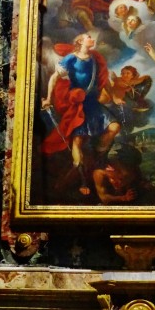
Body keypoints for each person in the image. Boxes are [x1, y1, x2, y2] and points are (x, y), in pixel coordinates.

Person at [41, 32, 121, 195]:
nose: (92, 38)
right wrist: (48, 98)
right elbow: (55, 78)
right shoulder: (70, 58)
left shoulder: (95, 59)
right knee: (77, 142)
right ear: (80, 41)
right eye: (88, 37)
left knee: (114, 127)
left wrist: (115, 97)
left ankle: (98, 156)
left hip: (93, 103)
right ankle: (83, 180)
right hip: (79, 104)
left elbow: (104, 81)